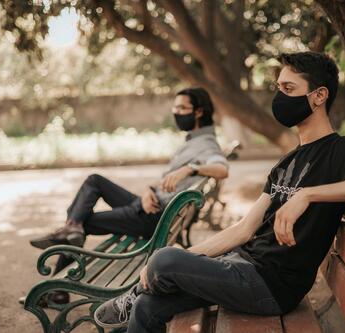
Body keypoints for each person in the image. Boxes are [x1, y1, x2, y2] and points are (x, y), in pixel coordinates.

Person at [92, 51, 345, 333]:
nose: (279, 96)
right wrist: (187, 259)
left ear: (319, 96)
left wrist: (307, 195)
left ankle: (139, 288)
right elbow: (243, 230)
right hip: (242, 266)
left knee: (164, 261)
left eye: (289, 89)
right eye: (278, 88)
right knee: (149, 306)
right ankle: (140, 293)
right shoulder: (288, 161)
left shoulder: (340, 151)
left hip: (271, 286)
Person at [28, 87, 229, 304]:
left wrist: (189, 168)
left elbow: (222, 168)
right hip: (151, 205)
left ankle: (59, 282)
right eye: (175, 106)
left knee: (83, 219)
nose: (176, 112)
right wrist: (146, 191)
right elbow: (163, 183)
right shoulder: (193, 141)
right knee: (94, 181)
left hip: (152, 218)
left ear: (198, 112)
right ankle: (72, 227)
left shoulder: (206, 143)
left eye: (182, 107)